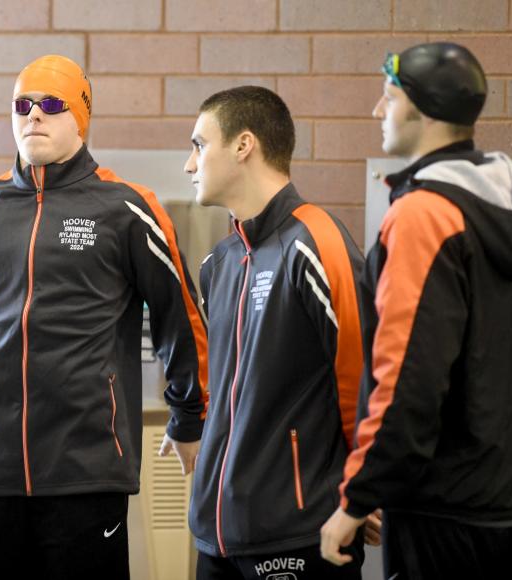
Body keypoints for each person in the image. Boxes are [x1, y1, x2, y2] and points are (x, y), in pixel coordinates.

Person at [0, 54, 208, 579]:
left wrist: (189, 414)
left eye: (51, 105)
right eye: (22, 105)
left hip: (86, 472)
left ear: (81, 116)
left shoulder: (125, 209)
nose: (34, 116)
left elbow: (180, 316)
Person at [320, 42, 512, 579]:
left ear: (422, 109)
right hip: (506, 504)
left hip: (436, 510)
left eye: (388, 97)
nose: (378, 112)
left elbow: (406, 377)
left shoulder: (424, 216)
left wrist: (357, 498)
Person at [183, 86, 368, 580]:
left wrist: (364, 486)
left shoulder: (315, 240)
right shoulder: (218, 264)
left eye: (199, 145)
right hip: (216, 533)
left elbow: (364, 374)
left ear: (244, 145)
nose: (190, 164)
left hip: (299, 530)